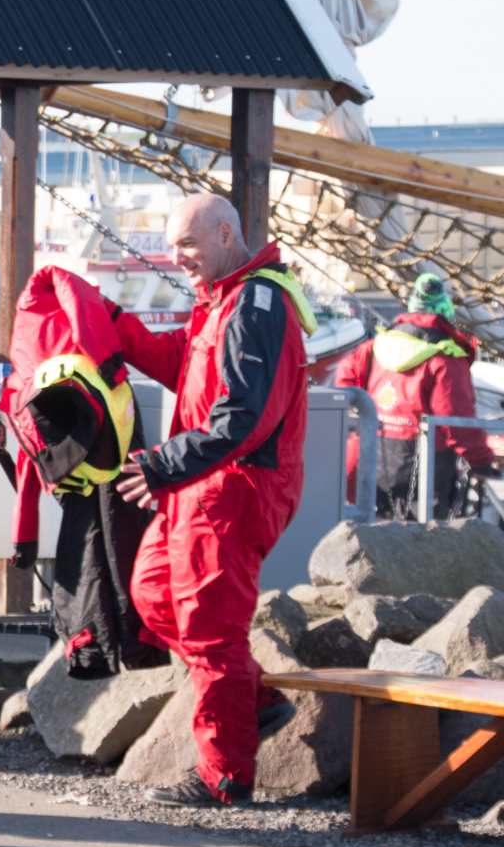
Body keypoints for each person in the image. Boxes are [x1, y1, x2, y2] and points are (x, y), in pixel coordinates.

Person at [112, 194, 315, 808]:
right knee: (152, 595)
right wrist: (111, 324)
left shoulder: (254, 303)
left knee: (210, 629)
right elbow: (183, 364)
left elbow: (241, 420)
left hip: (234, 486)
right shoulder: (225, 300)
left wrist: (161, 464)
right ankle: (255, 699)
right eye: (174, 248)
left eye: (188, 245)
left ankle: (225, 776)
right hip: (204, 483)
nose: (178, 259)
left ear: (227, 234)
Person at [333, 273, 497, 518]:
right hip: (427, 474)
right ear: (446, 314)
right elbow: (457, 419)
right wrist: (482, 462)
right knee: (427, 547)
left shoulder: (374, 348)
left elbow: (344, 381)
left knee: (377, 540)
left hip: (374, 463)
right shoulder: (446, 360)